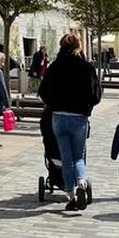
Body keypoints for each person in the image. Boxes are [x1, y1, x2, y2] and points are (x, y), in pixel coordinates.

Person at [37, 32, 101, 211]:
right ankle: (81, 182)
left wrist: (54, 103)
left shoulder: (55, 66)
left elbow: (43, 91)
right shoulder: (86, 67)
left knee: (66, 158)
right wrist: (87, 104)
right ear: (78, 46)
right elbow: (96, 95)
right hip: (79, 116)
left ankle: (71, 195)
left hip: (58, 116)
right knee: (78, 156)